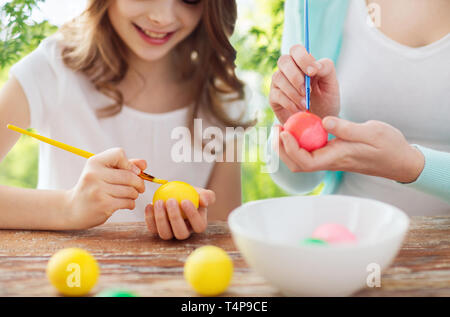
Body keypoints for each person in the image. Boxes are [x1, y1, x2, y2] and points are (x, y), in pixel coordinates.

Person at [0, 0, 251, 239]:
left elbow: (223, 238)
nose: (161, 17)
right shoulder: (52, 69)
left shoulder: (224, 102)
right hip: (66, 279)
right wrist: (68, 206)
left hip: (170, 282)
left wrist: (195, 229)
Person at [268, 0, 450, 215]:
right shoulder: (313, 5)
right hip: (344, 237)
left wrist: (413, 166)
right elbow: (296, 181)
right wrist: (302, 128)